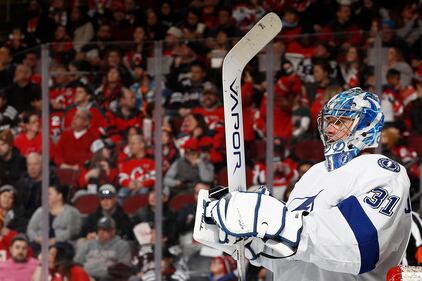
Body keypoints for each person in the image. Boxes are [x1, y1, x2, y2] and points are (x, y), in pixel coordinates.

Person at [194, 87, 412, 280]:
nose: (330, 128)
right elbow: (297, 253)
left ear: (366, 124)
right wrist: (257, 244)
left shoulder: (381, 170)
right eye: (328, 120)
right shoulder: (314, 173)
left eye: (341, 121)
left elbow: (358, 245)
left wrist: (277, 222)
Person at [27, 183, 82, 254]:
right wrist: (37, 239)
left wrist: (55, 240)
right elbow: (31, 229)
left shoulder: (72, 212)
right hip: (40, 243)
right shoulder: (40, 211)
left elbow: (73, 232)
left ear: (59, 196)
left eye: (49, 194)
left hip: (63, 244)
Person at [75, 216, 131, 281]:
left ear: (113, 231)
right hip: (85, 278)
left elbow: (123, 268)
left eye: (105, 230)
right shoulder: (89, 243)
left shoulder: (122, 245)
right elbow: (77, 262)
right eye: (99, 229)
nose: (101, 232)